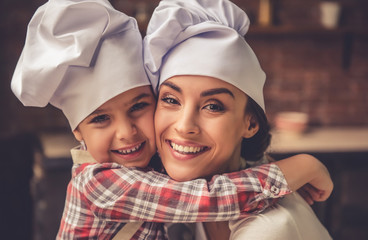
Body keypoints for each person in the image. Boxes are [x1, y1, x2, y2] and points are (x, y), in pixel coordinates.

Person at [11, 0, 331, 239]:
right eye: (172, 99)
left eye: (138, 106)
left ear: (251, 122)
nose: (126, 132)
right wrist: (298, 168)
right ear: (76, 129)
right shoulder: (98, 182)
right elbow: (206, 199)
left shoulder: (159, 166)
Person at [143, 0, 333, 239]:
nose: (184, 126)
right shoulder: (185, 190)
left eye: (213, 106)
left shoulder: (268, 231)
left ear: (250, 124)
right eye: (171, 100)